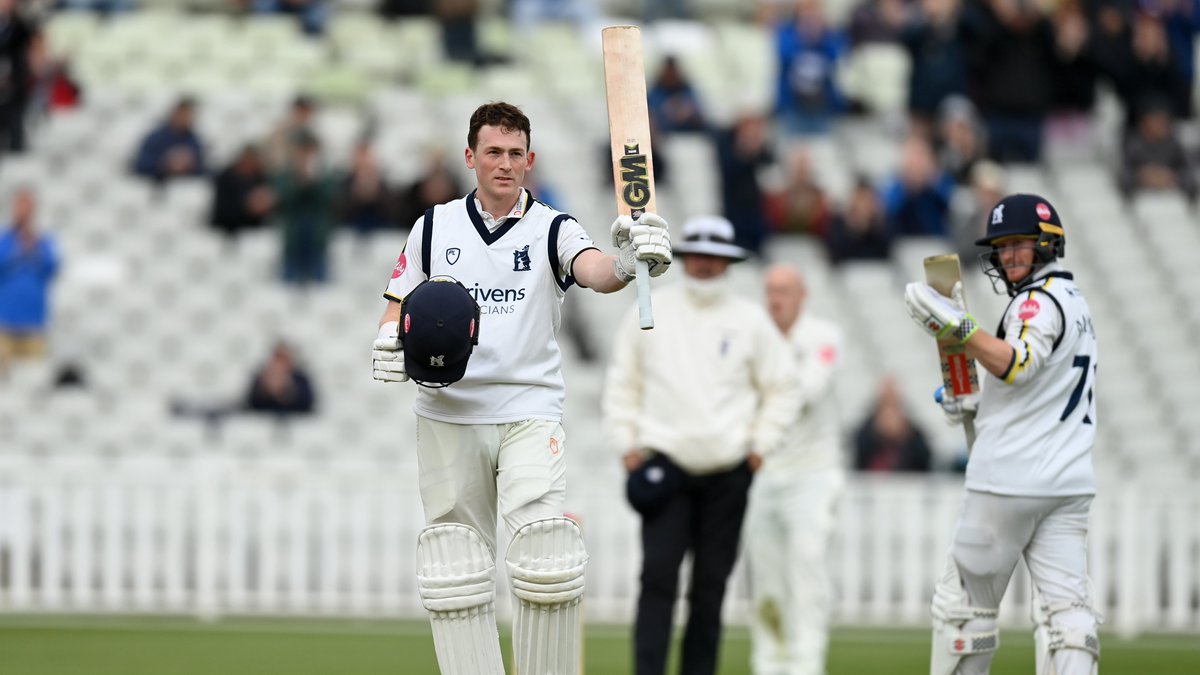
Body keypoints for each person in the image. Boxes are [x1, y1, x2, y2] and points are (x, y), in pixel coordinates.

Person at [369, 101, 672, 675]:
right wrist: (388, 342)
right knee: (456, 562)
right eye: (493, 153)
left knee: (543, 548)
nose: (504, 164)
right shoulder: (433, 226)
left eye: (515, 154)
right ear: (470, 158)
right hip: (447, 410)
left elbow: (593, 270)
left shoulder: (553, 225)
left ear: (529, 160)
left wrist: (630, 264)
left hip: (528, 407)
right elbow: (396, 307)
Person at [903, 193, 1099, 675]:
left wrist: (956, 325)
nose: (1008, 256)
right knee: (1068, 620)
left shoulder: (1036, 302)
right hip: (1067, 485)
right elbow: (1039, 388)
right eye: (1003, 246)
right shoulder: (1074, 302)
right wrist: (977, 400)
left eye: (1019, 245)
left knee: (964, 613)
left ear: (1047, 245)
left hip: (1008, 483)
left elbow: (1018, 365)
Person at [603, 215, 800, 675]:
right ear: (684, 257)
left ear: (729, 262)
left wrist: (759, 447)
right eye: (698, 255)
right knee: (657, 581)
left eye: (716, 257)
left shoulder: (750, 320)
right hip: (664, 467)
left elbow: (783, 388)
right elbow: (621, 382)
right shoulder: (650, 307)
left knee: (710, 588)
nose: (706, 266)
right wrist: (626, 444)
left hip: (728, 472)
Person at [744, 263, 844, 675]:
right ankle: (769, 663)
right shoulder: (754, 336)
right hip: (763, 475)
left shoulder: (824, 337)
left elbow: (804, 392)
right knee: (766, 581)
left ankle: (805, 664)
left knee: (808, 574)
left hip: (812, 474)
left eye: (784, 290)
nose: (775, 298)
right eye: (770, 290)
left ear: (802, 295)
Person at [0, 188, 58, 375]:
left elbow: (52, 268)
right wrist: (18, 249)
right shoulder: (5, 241)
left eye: (27, 207)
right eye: (20, 206)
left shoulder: (43, 241)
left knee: (33, 376)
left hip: (34, 323)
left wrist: (34, 249)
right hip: (5, 322)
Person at [853, 375, 934, 472]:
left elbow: (925, 459)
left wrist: (904, 436)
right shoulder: (865, 430)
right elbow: (859, 456)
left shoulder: (912, 430)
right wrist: (877, 434)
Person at [132, 96, 207, 182]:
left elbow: (204, 168)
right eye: (182, 114)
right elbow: (141, 165)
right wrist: (165, 164)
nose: (184, 118)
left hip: (185, 186)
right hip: (156, 185)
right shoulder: (156, 138)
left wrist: (190, 166)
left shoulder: (194, 140)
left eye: (188, 115)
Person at [244, 341, 315, 416]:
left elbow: (307, 404)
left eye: (284, 358)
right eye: (278, 357)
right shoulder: (261, 377)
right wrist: (265, 390)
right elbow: (251, 404)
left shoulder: (301, 379)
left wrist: (288, 391)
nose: (280, 363)